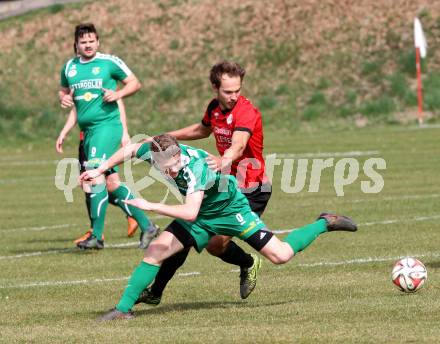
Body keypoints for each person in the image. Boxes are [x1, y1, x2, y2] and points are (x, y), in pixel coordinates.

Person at [79, 134, 358, 321]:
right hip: (201, 213)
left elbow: (189, 211)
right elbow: (129, 149)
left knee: (281, 255)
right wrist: (100, 169)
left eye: (175, 166)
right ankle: (123, 310)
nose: (172, 171)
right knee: (156, 249)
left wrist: (151, 206)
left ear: (179, 156)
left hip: (231, 210)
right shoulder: (156, 153)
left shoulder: (195, 168)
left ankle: (325, 222)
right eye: (167, 168)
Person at [143, 61, 271, 303]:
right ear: (215, 88)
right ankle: (155, 291)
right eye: (228, 92)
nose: (234, 96)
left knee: (214, 245)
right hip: (222, 185)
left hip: (251, 188)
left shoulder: (245, 112)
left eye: (237, 90)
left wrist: (226, 159)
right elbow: (202, 130)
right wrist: (166, 137)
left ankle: (249, 262)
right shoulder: (214, 108)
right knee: (185, 233)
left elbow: (239, 144)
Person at [58, 22, 158, 250]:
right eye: (83, 42)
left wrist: (119, 93)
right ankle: (147, 226)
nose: (88, 45)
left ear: (98, 41)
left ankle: (98, 236)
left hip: (107, 127)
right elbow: (64, 92)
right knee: (111, 184)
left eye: (92, 40)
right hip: (89, 133)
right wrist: (63, 99)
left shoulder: (108, 62)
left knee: (93, 177)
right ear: (76, 44)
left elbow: (135, 82)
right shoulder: (69, 67)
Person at [55, 103, 139, 243]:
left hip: (100, 137)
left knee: (93, 182)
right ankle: (131, 216)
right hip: (87, 138)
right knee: (96, 183)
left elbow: (118, 100)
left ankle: (97, 232)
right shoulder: (75, 83)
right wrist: (64, 97)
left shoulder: (104, 83)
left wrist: (124, 132)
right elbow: (76, 104)